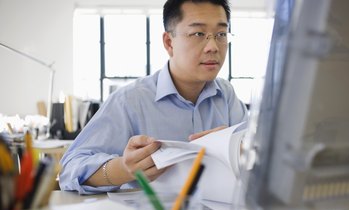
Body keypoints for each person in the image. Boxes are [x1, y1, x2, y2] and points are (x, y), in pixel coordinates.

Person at [59, 0, 248, 194]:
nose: (213, 47)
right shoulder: (130, 100)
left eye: (221, 34)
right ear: (169, 42)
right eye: (198, 34)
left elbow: (261, 156)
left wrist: (239, 150)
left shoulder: (226, 94)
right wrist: (123, 170)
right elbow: (70, 169)